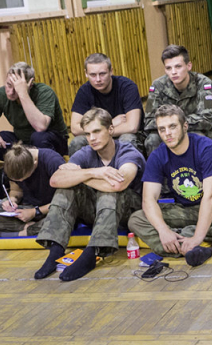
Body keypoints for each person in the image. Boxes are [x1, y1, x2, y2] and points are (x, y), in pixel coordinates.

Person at [129, 105, 212, 263]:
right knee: (136, 219)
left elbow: (210, 196)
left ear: (185, 126)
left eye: (172, 126)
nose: (167, 133)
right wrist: (163, 230)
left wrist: (197, 236)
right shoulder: (158, 155)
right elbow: (148, 199)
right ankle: (180, 247)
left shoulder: (207, 148)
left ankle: (186, 236)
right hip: (185, 210)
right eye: (161, 129)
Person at [34, 109, 146, 282]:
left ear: (110, 130)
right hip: (99, 212)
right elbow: (55, 180)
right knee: (67, 189)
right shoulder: (86, 153)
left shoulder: (128, 152)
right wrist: (94, 172)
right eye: (87, 133)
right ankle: (55, 251)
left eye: (96, 131)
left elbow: (118, 184)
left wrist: (81, 176)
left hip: (128, 212)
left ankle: (93, 252)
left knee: (109, 192)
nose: (91, 138)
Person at [0, 62, 68, 199]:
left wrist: (23, 93)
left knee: (38, 137)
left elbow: (40, 126)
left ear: (30, 85)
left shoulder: (44, 92)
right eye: (8, 85)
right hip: (22, 142)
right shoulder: (1, 94)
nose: (11, 91)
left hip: (51, 143)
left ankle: (44, 196)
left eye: (16, 88)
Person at [143, 45, 212, 154]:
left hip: (197, 131)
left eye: (178, 66)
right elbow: (149, 120)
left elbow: (206, 120)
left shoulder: (203, 83)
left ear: (189, 66)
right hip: (168, 131)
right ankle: (159, 170)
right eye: (168, 68)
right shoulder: (158, 85)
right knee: (152, 140)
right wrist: (173, 127)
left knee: (198, 137)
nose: (173, 72)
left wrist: (175, 125)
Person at [0, 144, 64, 237]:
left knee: (60, 220)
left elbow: (64, 201)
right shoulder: (13, 165)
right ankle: (30, 228)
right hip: (27, 210)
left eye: (24, 178)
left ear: (34, 163)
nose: (21, 181)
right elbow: (16, 191)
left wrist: (34, 212)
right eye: (18, 180)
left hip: (51, 209)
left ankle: (23, 231)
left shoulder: (52, 161)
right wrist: (12, 200)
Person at [68, 53, 142, 154]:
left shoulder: (127, 87)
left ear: (111, 71)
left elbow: (132, 127)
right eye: (93, 75)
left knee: (127, 140)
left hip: (123, 134)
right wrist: (110, 124)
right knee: (77, 142)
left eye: (102, 74)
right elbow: (75, 129)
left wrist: (100, 132)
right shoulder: (84, 91)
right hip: (102, 133)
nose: (98, 79)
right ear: (86, 73)